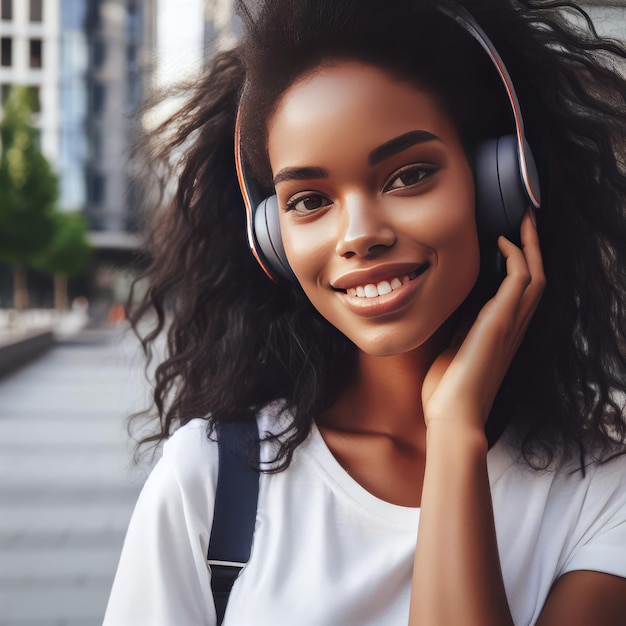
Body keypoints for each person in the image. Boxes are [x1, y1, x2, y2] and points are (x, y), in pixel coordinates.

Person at [104, 0, 626, 624]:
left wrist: (455, 432)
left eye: (407, 176)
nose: (359, 235)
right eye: (308, 200)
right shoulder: (210, 480)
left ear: (501, 183)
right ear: (271, 237)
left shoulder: (603, 495)